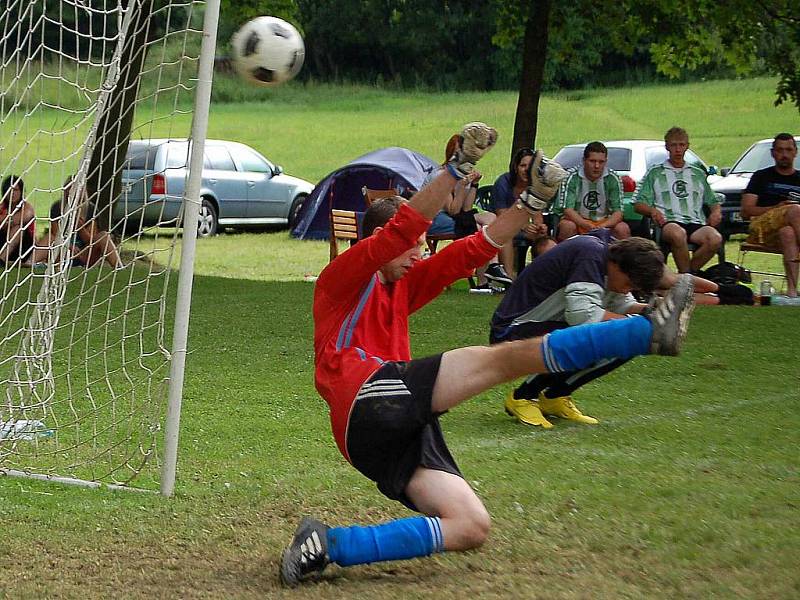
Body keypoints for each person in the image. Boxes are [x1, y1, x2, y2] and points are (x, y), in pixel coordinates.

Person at [279, 123, 697, 586]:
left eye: (421, 248)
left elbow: (474, 248)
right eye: (413, 247)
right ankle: (644, 335)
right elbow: (404, 229)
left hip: (386, 427)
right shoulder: (342, 280)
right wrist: (456, 169)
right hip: (366, 395)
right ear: (377, 243)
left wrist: (530, 203)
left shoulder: (403, 284)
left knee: (470, 525)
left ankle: (327, 544)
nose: (420, 254)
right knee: (504, 358)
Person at [491, 230, 717, 427]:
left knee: (631, 338)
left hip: (543, 325)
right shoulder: (590, 255)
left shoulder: (611, 259)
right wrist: (635, 324)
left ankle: (554, 396)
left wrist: (653, 311)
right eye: (629, 283)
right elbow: (583, 316)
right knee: (618, 333)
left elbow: (622, 304)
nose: (626, 289)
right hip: (513, 330)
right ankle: (522, 397)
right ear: (617, 266)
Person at [424, 135, 511, 288]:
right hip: (435, 219)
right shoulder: (441, 176)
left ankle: (493, 266)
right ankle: (483, 280)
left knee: (490, 217)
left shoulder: (462, 173)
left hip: (455, 216)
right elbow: (453, 209)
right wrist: (462, 186)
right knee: (478, 230)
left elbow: (466, 209)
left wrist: (474, 185)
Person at [633, 127, 722, 273]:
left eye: (681, 145)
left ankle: (687, 275)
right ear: (667, 147)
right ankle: (688, 278)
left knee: (715, 238)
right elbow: (638, 204)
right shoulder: (655, 172)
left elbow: (713, 201)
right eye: (674, 145)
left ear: (687, 146)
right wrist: (652, 211)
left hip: (695, 222)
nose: (678, 150)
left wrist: (716, 212)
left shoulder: (697, 173)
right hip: (669, 221)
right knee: (678, 234)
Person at [741, 133, 800, 297]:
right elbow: (746, 210)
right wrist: (777, 208)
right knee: (794, 210)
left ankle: (792, 292)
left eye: (788, 150)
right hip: (762, 228)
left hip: (792, 231)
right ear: (773, 153)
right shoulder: (761, 177)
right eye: (780, 150)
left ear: (795, 152)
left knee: (787, 232)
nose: (784, 154)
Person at [31, 176, 123, 269]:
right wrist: (68, 246)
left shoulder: (90, 209)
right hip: (62, 252)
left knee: (103, 236)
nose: (73, 192)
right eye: (70, 188)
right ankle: (30, 263)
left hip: (84, 254)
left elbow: (90, 240)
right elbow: (56, 235)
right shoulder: (57, 207)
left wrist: (80, 228)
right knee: (50, 237)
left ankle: (119, 267)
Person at [491, 147, 548, 278]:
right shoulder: (503, 183)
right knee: (507, 235)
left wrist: (538, 227)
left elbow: (537, 213)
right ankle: (509, 278)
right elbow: (502, 215)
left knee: (543, 237)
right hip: (500, 226)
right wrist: (524, 226)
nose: (526, 170)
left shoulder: (535, 185)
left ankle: (540, 277)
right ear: (516, 167)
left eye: (530, 166)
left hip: (524, 229)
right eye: (523, 165)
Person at [557, 141, 630, 241]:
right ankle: (565, 254)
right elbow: (568, 210)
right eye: (592, 161)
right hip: (578, 221)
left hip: (604, 222)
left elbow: (618, 212)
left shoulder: (612, 178)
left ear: (606, 161)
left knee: (622, 228)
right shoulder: (572, 177)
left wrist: (602, 226)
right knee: (567, 226)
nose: (597, 166)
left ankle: (621, 256)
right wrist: (585, 224)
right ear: (584, 160)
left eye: (601, 162)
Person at [0, 175, 36, 266]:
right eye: (10, 190)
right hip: (4, 241)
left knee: (18, 227)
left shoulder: (27, 207)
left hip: (23, 247)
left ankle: (1, 259)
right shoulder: (2, 207)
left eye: (16, 190)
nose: (13, 193)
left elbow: (20, 219)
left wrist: (5, 221)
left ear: (21, 191)